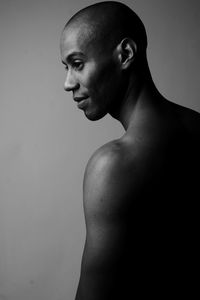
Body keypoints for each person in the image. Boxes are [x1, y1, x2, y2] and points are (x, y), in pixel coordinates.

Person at [60, 1, 200, 299]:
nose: (68, 83)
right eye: (66, 67)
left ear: (125, 54)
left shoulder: (112, 166)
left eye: (78, 63)